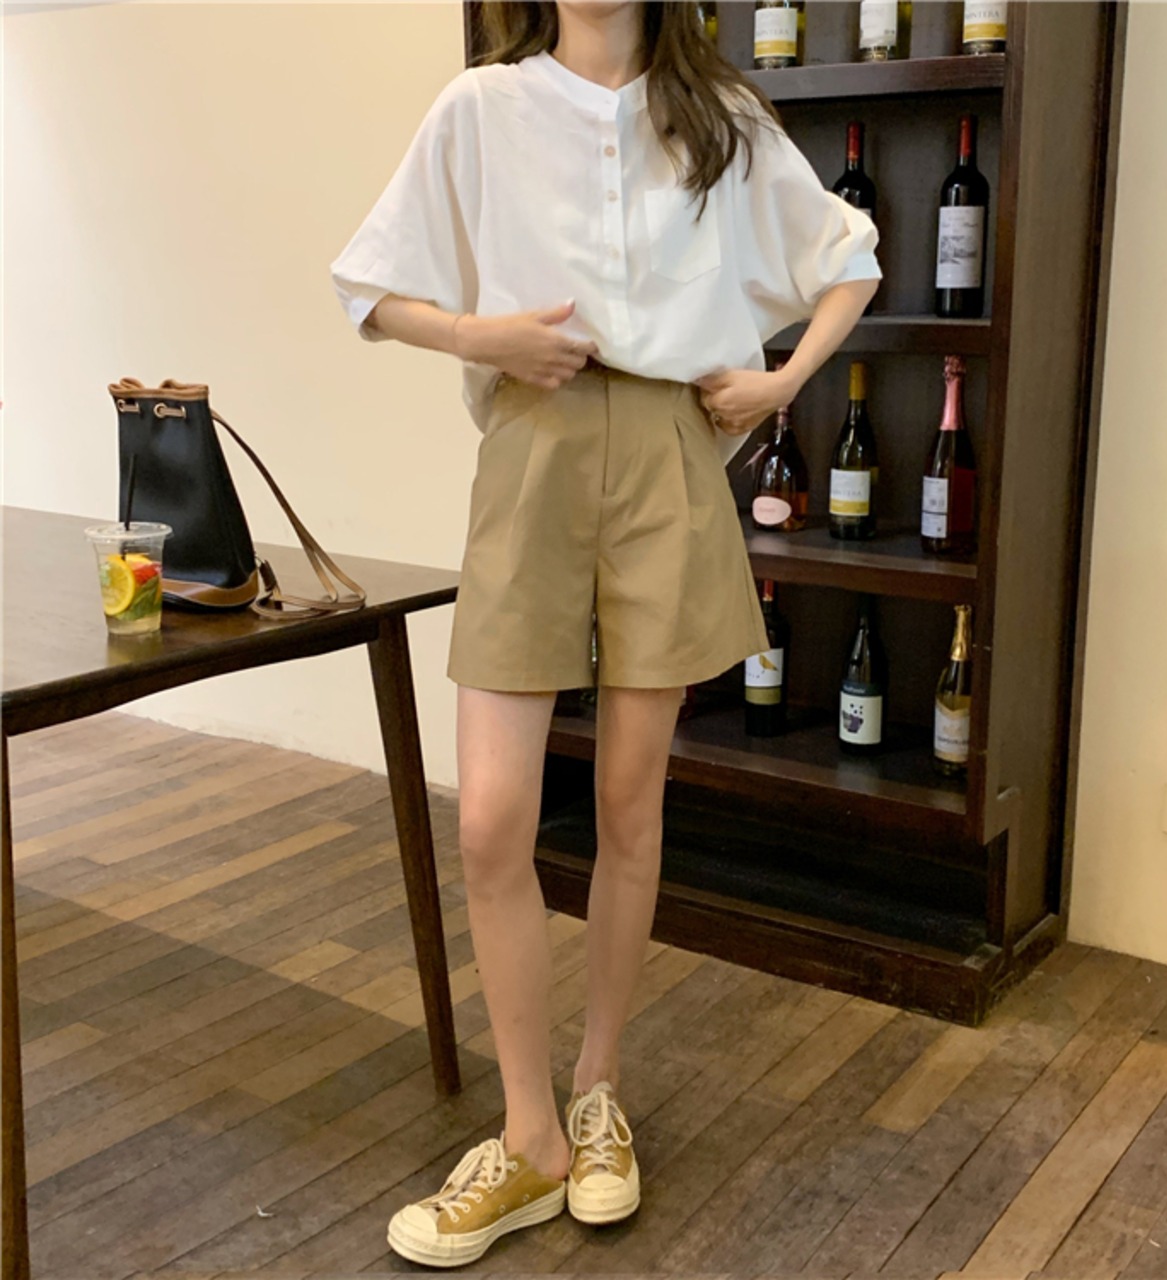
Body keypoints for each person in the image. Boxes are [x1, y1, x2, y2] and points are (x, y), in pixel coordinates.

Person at [330, 0, 879, 1266]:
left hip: (671, 453)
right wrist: (478, 334)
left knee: (631, 803)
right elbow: (367, 282)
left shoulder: (717, 114)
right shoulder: (483, 106)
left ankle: (594, 1091)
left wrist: (780, 381)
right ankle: (526, 1135)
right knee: (490, 819)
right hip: (534, 443)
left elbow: (845, 256)